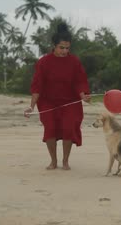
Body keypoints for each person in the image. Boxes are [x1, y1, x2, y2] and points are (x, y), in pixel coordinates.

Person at [24, 22, 91, 170]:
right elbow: (37, 86)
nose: (64, 51)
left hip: (70, 101)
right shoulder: (43, 63)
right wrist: (31, 106)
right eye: (61, 47)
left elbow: (80, 81)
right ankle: (53, 161)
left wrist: (83, 95)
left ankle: (65, 161)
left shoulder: (74, 61)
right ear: (54, 46)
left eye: (67, 48)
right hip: (48, 102)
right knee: (50, 128)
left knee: (68, 128)